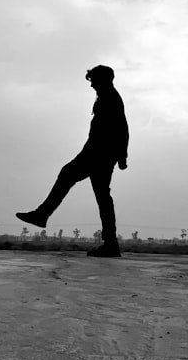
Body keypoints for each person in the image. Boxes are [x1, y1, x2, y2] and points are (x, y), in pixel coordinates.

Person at [16, 65, 129, 257]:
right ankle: (111, 244)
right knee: (102, 197)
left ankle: (42, 214)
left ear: (102, 80)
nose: (91, 84)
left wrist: (122, 156)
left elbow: (121, 128)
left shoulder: (110, 98)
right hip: (101, 153)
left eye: (93, 80)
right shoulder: (107, 96)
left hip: (98, 153)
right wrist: (120, 156)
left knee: (69, 175)